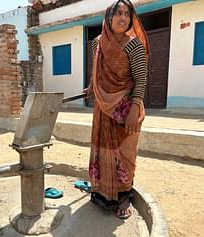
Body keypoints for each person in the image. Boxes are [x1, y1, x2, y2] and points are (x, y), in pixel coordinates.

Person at [84, 0, 149, 219]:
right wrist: (92, 86)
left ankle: (123, 198)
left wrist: (134, 108)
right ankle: (102, 194)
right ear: (109, 17)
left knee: (124, 155)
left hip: (125, 108)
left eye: (127, 14)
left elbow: (141, 79)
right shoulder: (97, 43)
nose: (123, 18)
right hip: (102, 108)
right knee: (103, 151)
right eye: (118, 13)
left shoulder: (134, 45)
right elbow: (96, 69)